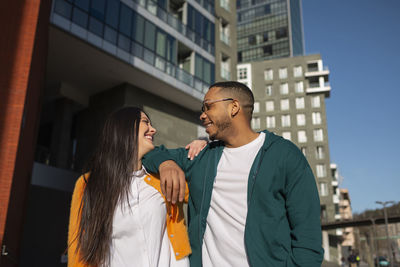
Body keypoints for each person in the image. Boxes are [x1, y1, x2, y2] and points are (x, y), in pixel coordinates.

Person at [143, 81, 324, 266]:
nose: (202, 115)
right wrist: (166, 164)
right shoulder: (202, 157)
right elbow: (147, 154)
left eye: (208, 106)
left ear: (234, 107)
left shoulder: (284, 155)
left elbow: (307, 240)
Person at [68, 107, 203, 267]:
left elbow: (203, 188)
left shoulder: (160, 180)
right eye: (145, 122)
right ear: (125, 128)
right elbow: (78, 250)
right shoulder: (88, 184)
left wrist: (204, 146)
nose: (153, 130)